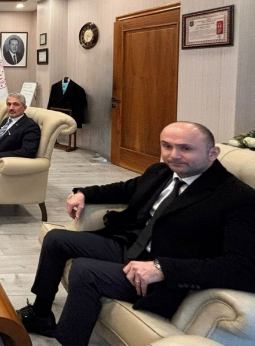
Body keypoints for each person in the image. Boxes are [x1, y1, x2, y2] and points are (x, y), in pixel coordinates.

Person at [17, 122, 255, 346]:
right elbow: (125, 189)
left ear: (212, 153)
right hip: (132, 245)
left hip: (162, 273)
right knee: (56, 238)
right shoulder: (161, 172)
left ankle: (69, 340)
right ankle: (41, 314)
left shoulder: (237, 197)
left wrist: (163, 268)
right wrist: (84, 193)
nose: (173, 155)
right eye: (167, 146)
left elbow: (245, 267)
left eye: (186, 148)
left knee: (84, 270)